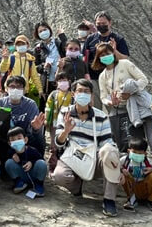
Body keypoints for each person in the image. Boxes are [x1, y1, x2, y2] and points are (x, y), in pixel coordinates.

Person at [51, 78, 122, 217]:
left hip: (94, 158)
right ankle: (77, 187)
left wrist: (113, 156)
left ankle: (109, 200)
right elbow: (59, 143)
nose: (83, 94)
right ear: (73, 94)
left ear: (91, 95)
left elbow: (107, 141)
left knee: (110, 151)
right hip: (72, 156)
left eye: (86, 91)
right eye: (79, 91)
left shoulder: (101, 116)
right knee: (59, 176)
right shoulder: (65, 113)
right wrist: (66, 131)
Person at [93, 42, 150, 152]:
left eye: (107, 53)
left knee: (137, 141)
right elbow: (103, 96)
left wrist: (131, 91)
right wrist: (110, 102)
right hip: (116, 112)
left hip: (132, 109)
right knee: (121, 143)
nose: (105, 57)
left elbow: (143, 80)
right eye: (102, 55)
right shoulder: (102, 76)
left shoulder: (125, 64)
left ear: (113, 53)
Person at [0, 76, 46, 157]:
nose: (15, 89)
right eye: (12, 87)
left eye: (19, 87)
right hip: (5, 140)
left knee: (39, 139)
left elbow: (34, 129)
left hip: (25, 139)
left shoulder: (31, 105)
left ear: (24, 90)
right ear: (6, 89)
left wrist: (36, 129)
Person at [84, 11, 130, 81]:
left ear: (110, 23)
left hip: (113, 78)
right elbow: (85, 57)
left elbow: (125, 59)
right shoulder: (90, 39)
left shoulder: (118, 39)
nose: (101, 25)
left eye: (104, 23)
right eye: (98, 23)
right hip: (94, 78)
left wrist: (114, 50)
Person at [0, 35, 44, 104]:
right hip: (10, 89)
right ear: (16, 47)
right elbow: (2, 69)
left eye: (23, 44)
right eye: (18, 45)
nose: (21, 46)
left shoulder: (30, 60)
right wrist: (5, 60)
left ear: (28, 45)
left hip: (23, 91)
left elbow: (35, 76)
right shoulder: (11, 58)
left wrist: (40, 89)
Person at [120, 137, 152, 211]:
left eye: (140, 153)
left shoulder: (148, 162)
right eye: (134, 152)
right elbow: (117, 167)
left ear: (145, 153)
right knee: (123, 176)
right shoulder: (125, 160)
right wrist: (122, 170)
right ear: (129, 151)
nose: (137, 155)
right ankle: (131, 200)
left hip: (144, 187)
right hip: (132, 187)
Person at [4, 126, 47, 197]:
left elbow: (40, 159)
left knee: (41, 163)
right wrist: (12, 155)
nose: (16, 141)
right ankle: (19, 183)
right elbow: (8, 163)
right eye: (13, 140)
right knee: (9, 163)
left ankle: (39, 185)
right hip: (22, 175)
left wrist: (31, 162)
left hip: (33, 175)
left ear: (25, 139)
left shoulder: (32, 150)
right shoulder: (11, 152)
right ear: (9, 143)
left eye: (19, 138)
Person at [44, 72, 73, 171]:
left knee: (65, 144)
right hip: (54, 123)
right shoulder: (54, 94)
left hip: (67, 124)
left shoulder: (72, 94)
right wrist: (47, 119)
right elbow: (48, 107)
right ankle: (52, 165)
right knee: (53, 145)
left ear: (69, 82)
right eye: (60, 81)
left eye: (64, 80)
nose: (62, 83)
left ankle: (63, 165)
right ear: (56, 83)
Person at [32, 22, 67, 102]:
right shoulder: (38, 49)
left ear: (49, 30)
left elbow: (67, 52)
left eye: (45, 30)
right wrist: (43, 66)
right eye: (40, 31)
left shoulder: (58, 43)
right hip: (47, 82)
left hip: (61, 79)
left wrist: (62, 36)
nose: (43, 32)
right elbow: (35, 67)